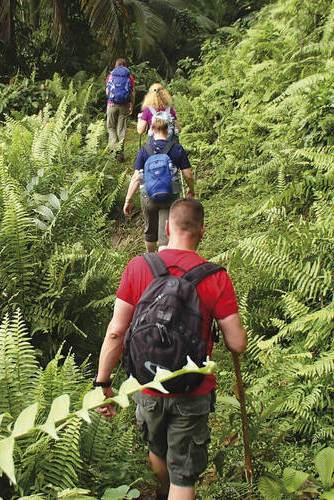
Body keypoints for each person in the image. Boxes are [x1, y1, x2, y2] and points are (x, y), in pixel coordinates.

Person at [94, 198, 248, 500]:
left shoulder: (138, 267)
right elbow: (237, 343)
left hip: (148, 386)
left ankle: (162, 492)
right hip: (193, 389)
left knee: (156, 449)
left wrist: (103, 383)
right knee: (184, 477)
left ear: (166, 227)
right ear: (202, 231)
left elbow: (115, 332)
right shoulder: (215, 277)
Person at [124, 118, 194, 253]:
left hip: (148, 196)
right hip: (170, 196)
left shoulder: (145, 150)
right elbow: (188, 175)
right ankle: (163, 266)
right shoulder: (177, 148)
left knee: (150, 232)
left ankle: (151, 261)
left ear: (152, 131)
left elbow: (136, 177)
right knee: (165, 235)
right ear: (167, 130)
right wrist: (191, 189)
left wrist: (128, 200)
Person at [106, 58, 135, 161]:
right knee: (121, 129)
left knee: (111, 127)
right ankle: (120, 155)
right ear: (125, 66)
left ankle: (113, 148)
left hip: (112, 104)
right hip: (125, 105)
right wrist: (131, 105)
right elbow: (132, 93)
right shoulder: (129, 77)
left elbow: (107, 91)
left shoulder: (111, 76)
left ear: (116, 65)